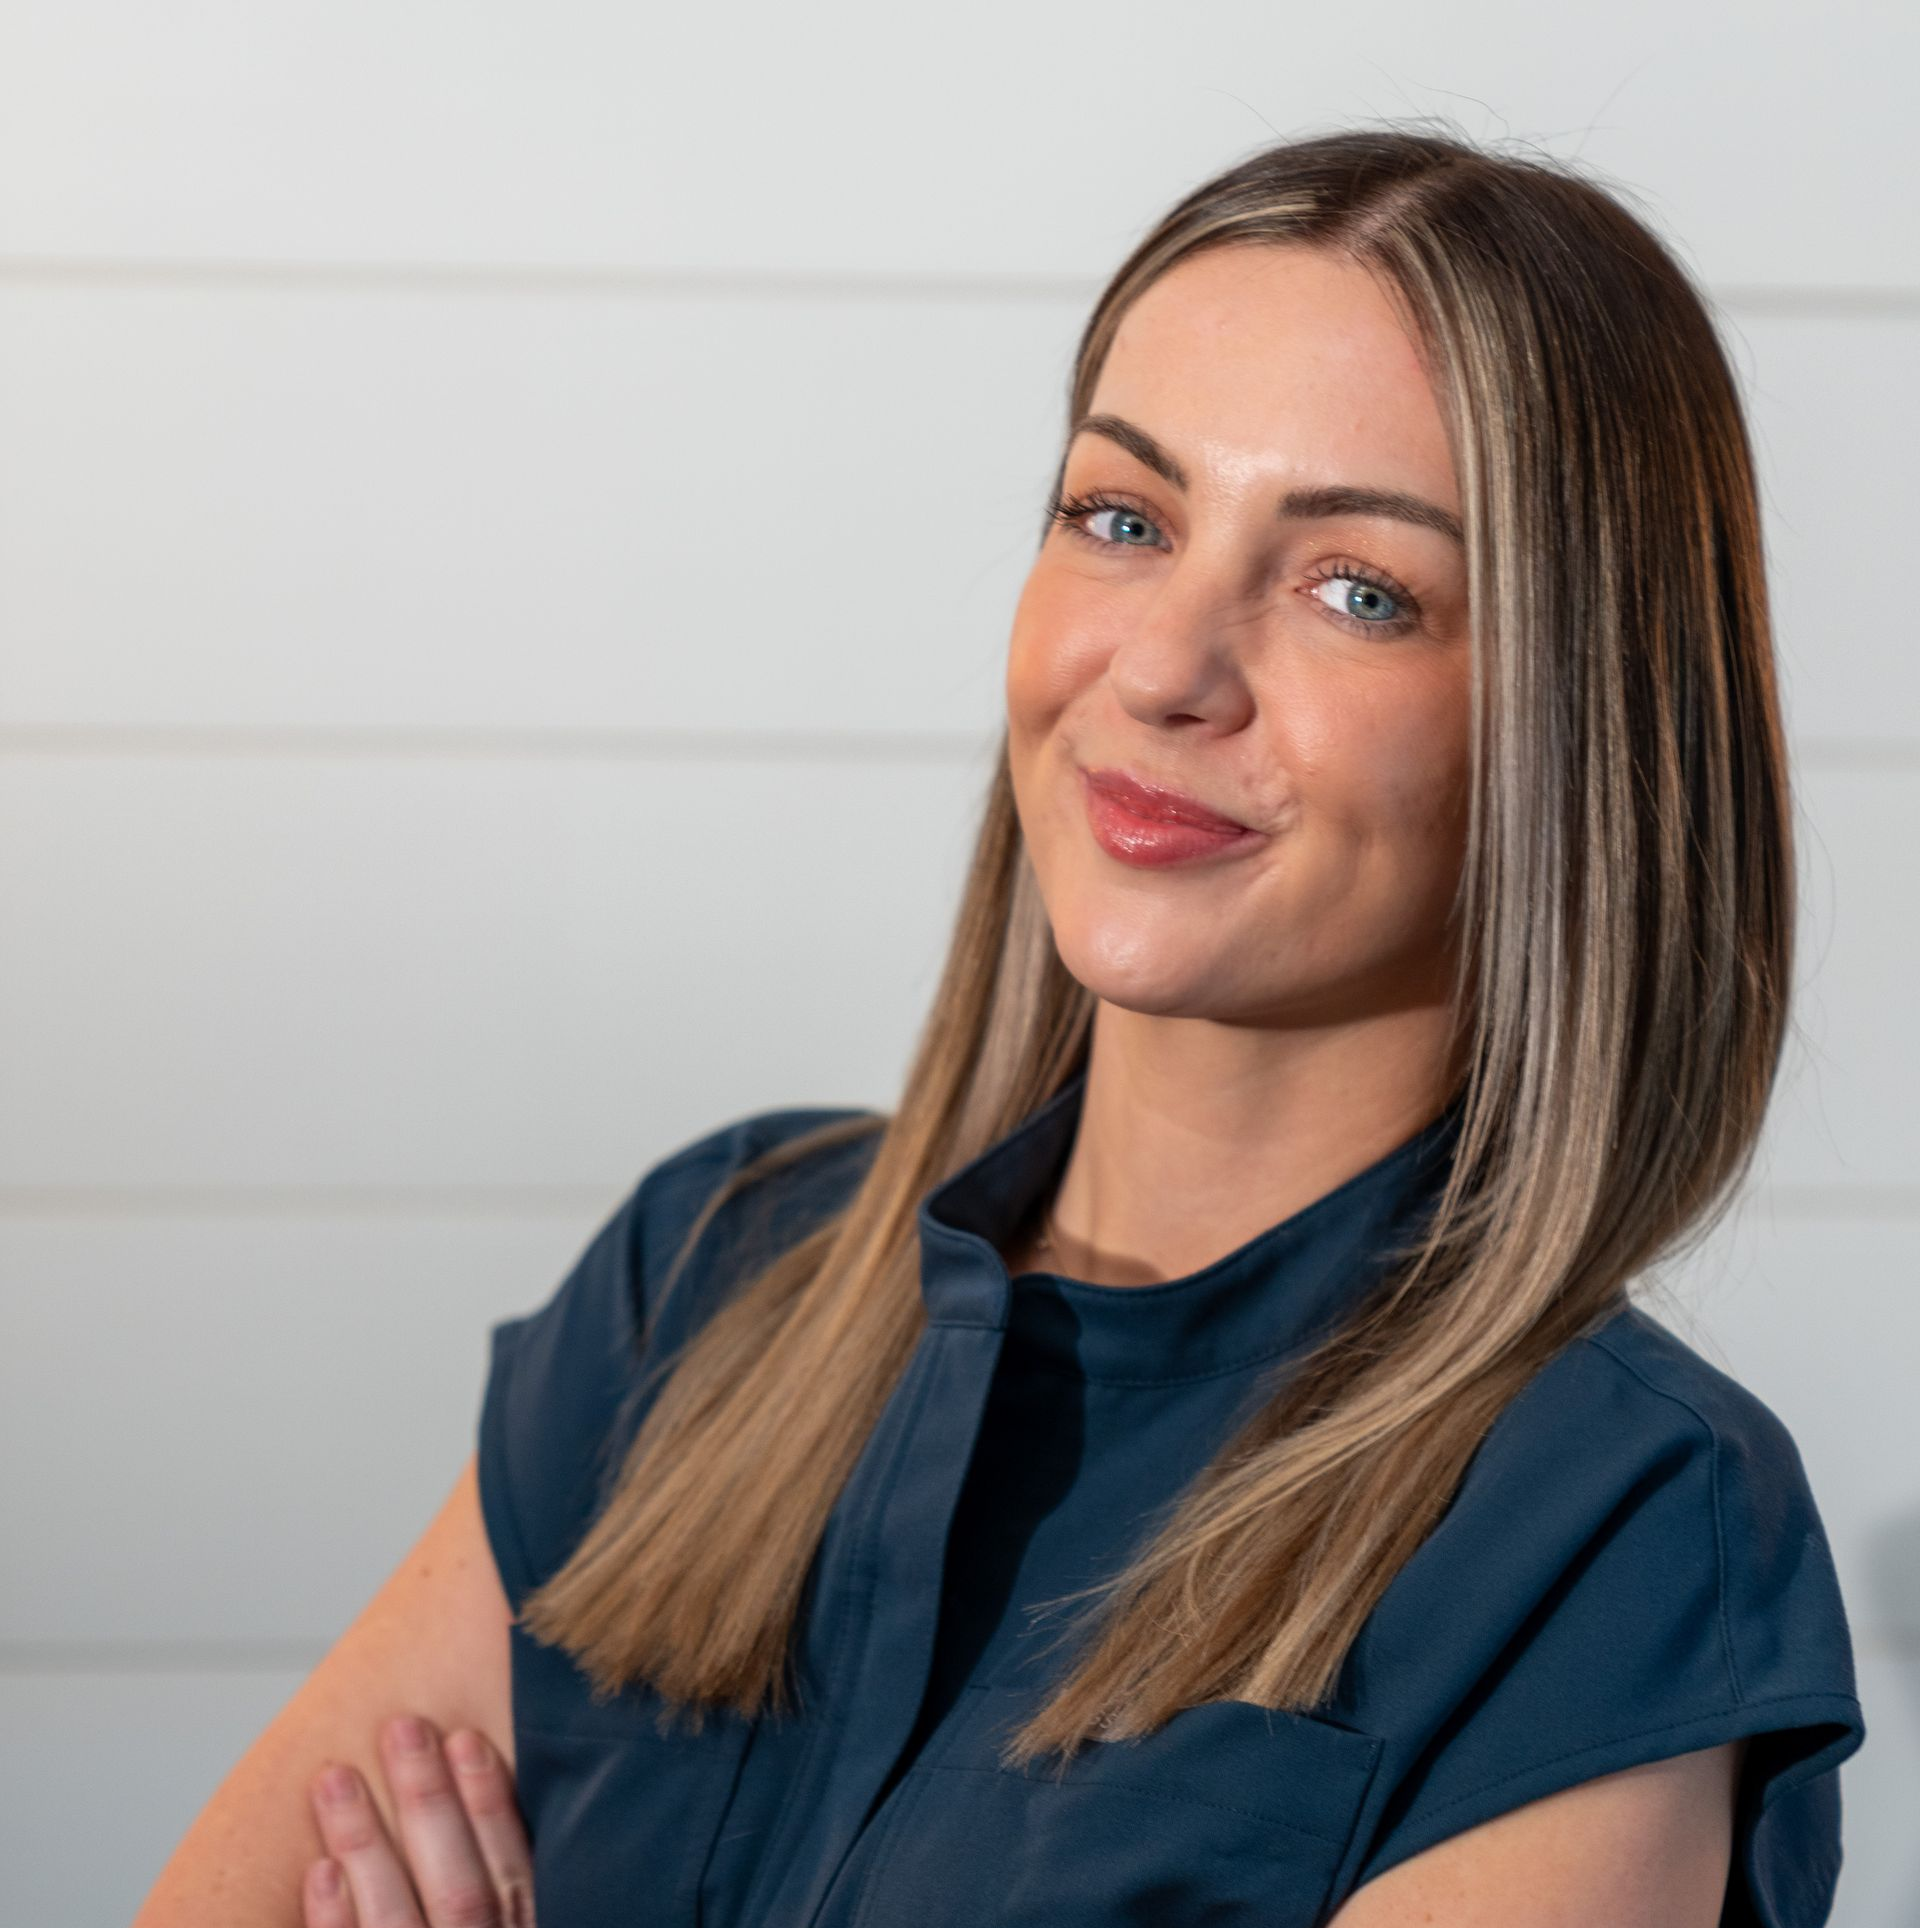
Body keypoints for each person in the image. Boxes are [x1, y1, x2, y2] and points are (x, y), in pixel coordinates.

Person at [133, 122, 1866, 1928]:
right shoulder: (707, 1282)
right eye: (1124, 518)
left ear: (1582, 731)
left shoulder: (1610, 1533)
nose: (1166, 667)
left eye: (1359, 588)